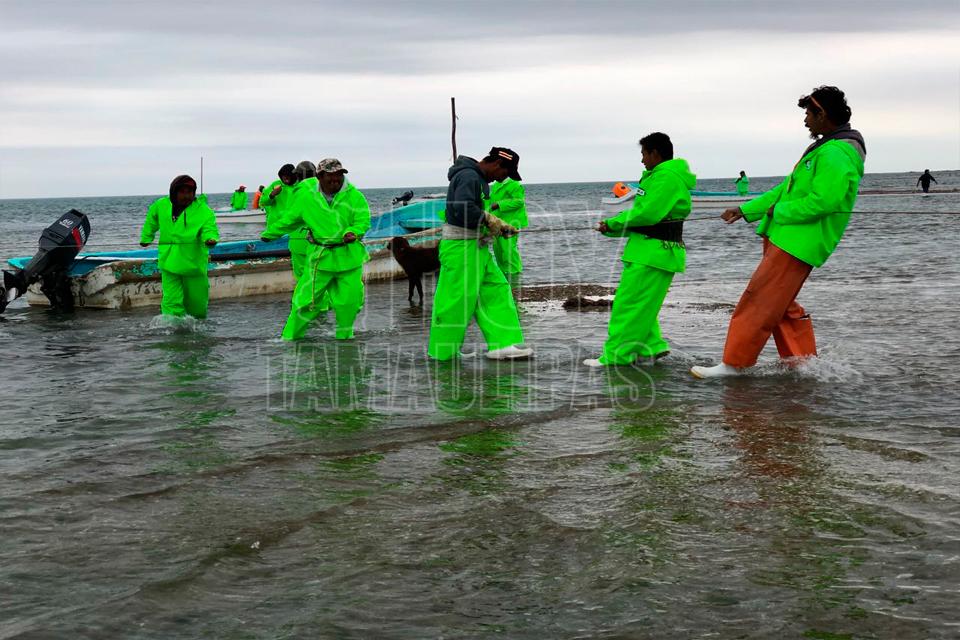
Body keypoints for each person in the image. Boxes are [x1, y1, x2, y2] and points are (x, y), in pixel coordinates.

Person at [691, 85, 866, 378]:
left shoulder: (837, 152)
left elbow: (825, 201)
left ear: (822, 114)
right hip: (787, 237)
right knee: (781, 306)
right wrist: (745, 209)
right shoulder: (826, 147)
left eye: (808, 114)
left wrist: (778, 212)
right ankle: (803, 364)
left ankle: (734, 364)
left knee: (758, 299)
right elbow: (783, 190)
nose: (805, 120)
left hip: (798, 241)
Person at [583, 132, 695, 367]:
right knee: (643, 305)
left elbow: (647, 214)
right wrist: (611, 228)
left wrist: (613, 223)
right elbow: (645, 217)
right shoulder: (660, 176)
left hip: (652, 254)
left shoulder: (666, 177)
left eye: (644, 154)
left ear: (655, 153)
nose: (642, 159)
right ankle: (651, 347)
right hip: (650, 251)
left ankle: (616, 357)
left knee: (628, 306)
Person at [428, 147, 532, 361]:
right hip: (461, 249)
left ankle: (503, 344)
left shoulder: (475, 177)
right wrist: (490, 219)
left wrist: (497, 226)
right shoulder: (469, 176)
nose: (500, 179)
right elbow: (463, 209)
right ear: (497, 164)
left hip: (477, 247)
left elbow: (469, 211)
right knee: (456, 301)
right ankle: (443, 353)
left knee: (497, 290)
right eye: (504, 173)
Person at [261, 158, 370, 340]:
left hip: (349, 258)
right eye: (330, 175)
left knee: (350, 302)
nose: (335, 179)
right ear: (319, 176)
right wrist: (270, 234)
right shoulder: (307, 197)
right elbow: (290, 219)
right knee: (304, 302)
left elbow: (363, 220)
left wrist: (354, 232)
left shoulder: (355, 196)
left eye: (339, 175)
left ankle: (345, 340)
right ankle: (289, 340)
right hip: (320, 259)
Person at [139, 175, 220, 319]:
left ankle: (196, 328)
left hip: (193, 264)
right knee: (171, 301)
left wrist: (210, 239)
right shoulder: (161, 205)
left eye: (190, 192)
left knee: (197, 305)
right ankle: (171, 327)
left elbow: (209, 228)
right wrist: (146, 237)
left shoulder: (204, 211)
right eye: (182, 192)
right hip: (168, 261)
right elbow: (152, 220)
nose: (186, 196)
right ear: (173, 192)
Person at [485, 175, 528, 275]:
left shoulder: (514, 184)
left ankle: (515, 274)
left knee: (508, 250)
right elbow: (490, 203)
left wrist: (499, 204)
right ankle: (504, 273)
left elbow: (519, 201)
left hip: (511, 223)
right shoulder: (496, 185)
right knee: (498, 250)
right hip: (498, 223)